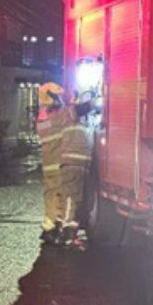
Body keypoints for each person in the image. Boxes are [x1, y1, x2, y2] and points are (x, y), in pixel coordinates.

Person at [57, 90, 96, 248]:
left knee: (76, 199)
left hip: (79, 166)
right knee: (71, 200)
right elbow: (81, 109)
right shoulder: (67, 113)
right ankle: (68, 235)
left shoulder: (79, 122)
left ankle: (69, 232)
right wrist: (95, 101)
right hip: (72, 165)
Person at [36, 82, 70, 244]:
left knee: (52, 195)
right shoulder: (55, 117)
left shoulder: (44, 116)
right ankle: (55, 228)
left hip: (51, 165)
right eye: (58, 96)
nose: (61, 99)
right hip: (57, 165)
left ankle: (50, 227)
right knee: (61, 196)